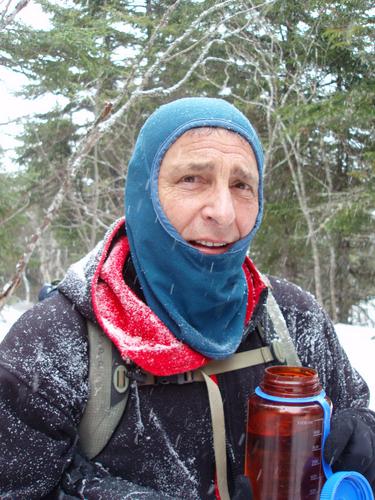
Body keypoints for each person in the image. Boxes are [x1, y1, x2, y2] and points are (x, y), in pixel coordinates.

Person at [0, 97, 374, 500]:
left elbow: (355, 407)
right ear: (145, 191)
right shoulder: (51, 346)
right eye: (193, 179)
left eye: (241, 185)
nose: (224, 211)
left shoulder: (294, 319)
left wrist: (362, 437)